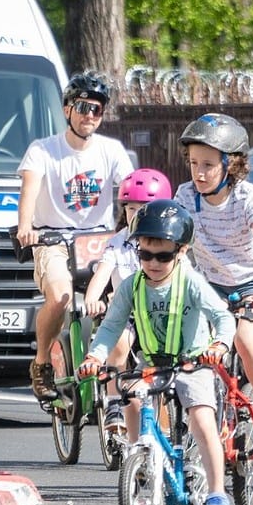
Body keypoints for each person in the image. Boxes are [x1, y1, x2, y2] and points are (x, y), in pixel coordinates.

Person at [77, 199, 236, 505]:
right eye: (145, 254)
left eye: (163, 255)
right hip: (153, 364)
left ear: (182, 252)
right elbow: (110, 326)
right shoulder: (132, 286)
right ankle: (139, 461)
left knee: (202, 419)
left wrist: (219, 344)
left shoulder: (190, 281)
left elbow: (222, 317)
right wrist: (95, 356)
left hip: (193, 362)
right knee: (132, 396)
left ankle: (218, 492)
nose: (153, 262)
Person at [175, 113, 253, 471]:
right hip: (210, 286)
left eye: (209, 164)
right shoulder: (185, 197)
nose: (199, 172)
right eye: (194, 163)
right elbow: (177, 247)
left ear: (231, 164)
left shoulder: (245, 196)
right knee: (189, 348)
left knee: (244, 339)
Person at [16, 70, 134, 405]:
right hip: (52, 239)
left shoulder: (111, 151)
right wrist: (26, 226)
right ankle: (41, 363)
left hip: (97, 240)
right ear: (67, 109)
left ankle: (115, 369)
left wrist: (135, 223)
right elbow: (29, 189)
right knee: (61, 298)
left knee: (121, 298)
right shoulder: (43, 150)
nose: (89, 116)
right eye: (83, 108)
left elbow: (130, 190)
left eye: (97, 110)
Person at [83, 168, 172, 435]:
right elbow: (102, 273)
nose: (137, 216)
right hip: (127, 313)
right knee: (118, 346)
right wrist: (92, 299)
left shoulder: (170, 241)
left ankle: (170, 427)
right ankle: (112, 402)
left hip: (162, 314)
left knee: (166, 369)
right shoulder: (119, 242)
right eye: (132, 209)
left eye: (145, 209)